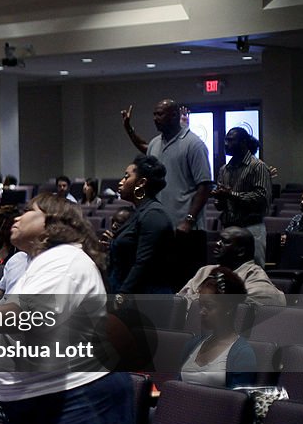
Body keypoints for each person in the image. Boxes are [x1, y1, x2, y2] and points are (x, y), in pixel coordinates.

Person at [0, 194, 135, 424]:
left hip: (79, 397)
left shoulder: (65, 260)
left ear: (53, 222)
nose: (18, 217)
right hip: (50, 397)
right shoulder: (38, 264)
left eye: (28, 211)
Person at [120, 100, 212, 231]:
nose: (155, 119)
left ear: (175, 115)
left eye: (159, 114)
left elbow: (205, 186)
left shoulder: (194, 144)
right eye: (154, 115)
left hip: (186, 228)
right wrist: (129, 129)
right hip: (159, 225)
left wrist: (189, 220)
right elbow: (144, 147)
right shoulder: (155, 143)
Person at [107, 155, 177, 296]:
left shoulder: (154, 214)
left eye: (126, 177)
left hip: (146, 301)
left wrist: (122, 295)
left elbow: (143, 263)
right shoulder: (139, 212)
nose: (121, 182)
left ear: (141, 182)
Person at [179, 267, 257, 388]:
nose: (202, 312)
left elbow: (238, 403)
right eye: (201, 305)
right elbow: (176, 389)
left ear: (229, 308)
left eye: (209, 306)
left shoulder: (242, 354)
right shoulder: (191, 345)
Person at [179, 227, 286, 307]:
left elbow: (230, 310)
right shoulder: (205, 270)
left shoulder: (255, 278)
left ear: (241, 251)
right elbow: (179, 301)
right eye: (218, 240)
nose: (217, 244)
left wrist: (197, 299)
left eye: (225, 241)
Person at [212, 127, 272, 266]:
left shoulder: (257, 166)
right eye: (226, 140)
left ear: (243, 142)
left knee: (253, 272)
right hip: (229, 228)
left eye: (231, 140)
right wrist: (220, 198)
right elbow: (220, 206)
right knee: (228, 272)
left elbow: (262, 198)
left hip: (251, 228)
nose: (226, 144)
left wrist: (231, 195)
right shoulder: (224, 169)